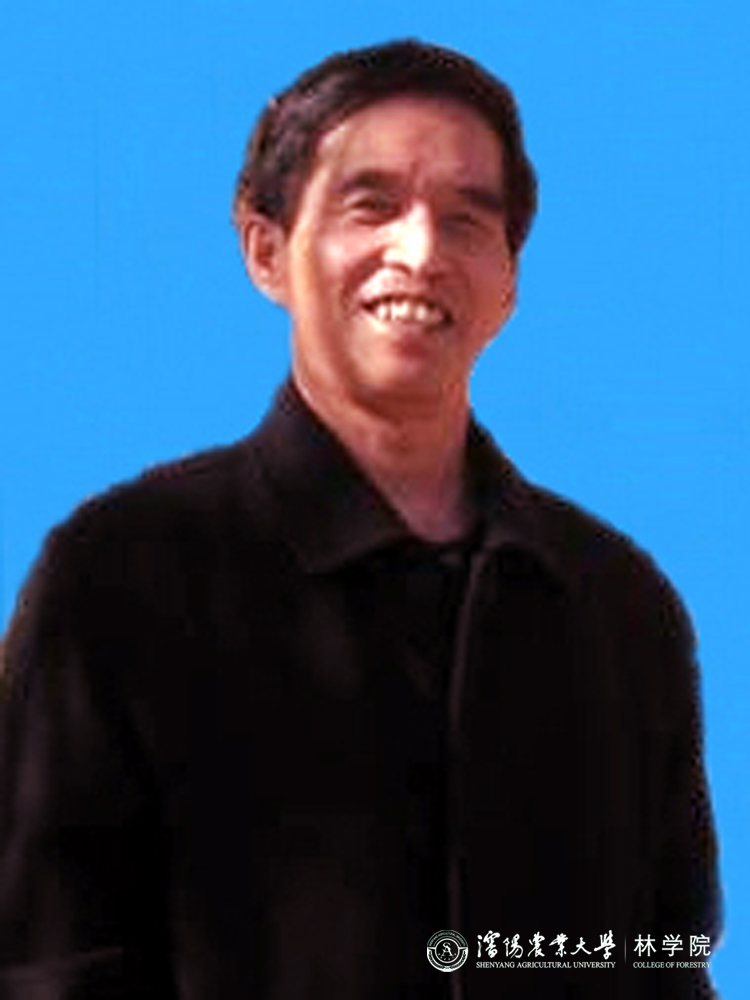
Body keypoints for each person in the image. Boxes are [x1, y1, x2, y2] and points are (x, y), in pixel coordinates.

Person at [0, 39, 720, 999]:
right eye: (370, 205)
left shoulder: (618, 606)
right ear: (267, 250)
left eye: (467, 220)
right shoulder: (121, 580)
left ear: (509, 277)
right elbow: (47, 968)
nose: (421, 252)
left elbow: (664, 961)